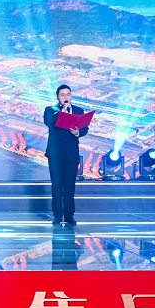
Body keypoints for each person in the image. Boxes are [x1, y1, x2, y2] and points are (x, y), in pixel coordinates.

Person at [43, 84, 88, 224]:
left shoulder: (78, 111)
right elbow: (48, 122)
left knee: (69, 185)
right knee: (57, 185)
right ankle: (57, 215)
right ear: (58, 97)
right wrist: (62, 111)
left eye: (68, 94)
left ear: (71, 95)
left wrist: (78, 132)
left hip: (71, 154)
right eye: (62, 95)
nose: (66, 97)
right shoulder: (50, 110)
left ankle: (69, 216)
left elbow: (85, 128)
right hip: (55, 154)